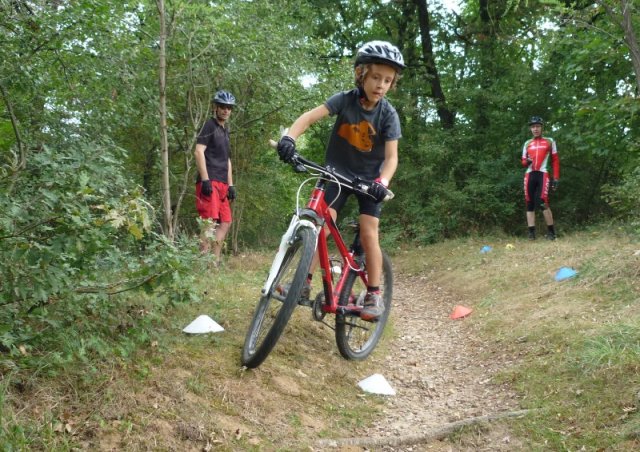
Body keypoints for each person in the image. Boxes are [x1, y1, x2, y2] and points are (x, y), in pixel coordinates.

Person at [276, 40, 404, 321]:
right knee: (319, 223)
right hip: (337, 173)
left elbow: (391, 158)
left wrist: (383, 181)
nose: (380, 85)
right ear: (361, 75)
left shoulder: (388, 115)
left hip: (369, 182)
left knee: (369, 232)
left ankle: (374, 292)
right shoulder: (345, 100)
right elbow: (309, 118)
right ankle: (304, 284)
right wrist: (289, 137)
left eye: (387, 80)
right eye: (375, 77)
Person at [194, 90, 237, 264]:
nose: (226, 110)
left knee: (225, 222)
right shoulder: (209, 126)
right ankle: (203, 262)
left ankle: (214, 261)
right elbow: (198, 151)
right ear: (216, 107)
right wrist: (205, 180)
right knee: (209, 222)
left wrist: (231, 185)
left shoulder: (225, 130)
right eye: (222, 107)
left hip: (223, 184)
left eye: (229, 108)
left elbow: (227, 159)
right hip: (209, 180)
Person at [521, 116, 560, 240]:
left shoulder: (549, 141)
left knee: (543, 201)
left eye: (537, 126)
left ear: (542, 128)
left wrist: (556, 178)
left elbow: (555, 160)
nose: (535, 129)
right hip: (530, 174)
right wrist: (526, 162)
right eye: (533, 127)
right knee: (529, 202)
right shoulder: (527, 143)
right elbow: (523, 161)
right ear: (530, 129)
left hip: (542, 173)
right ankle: (531, 233)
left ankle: (551, 233)